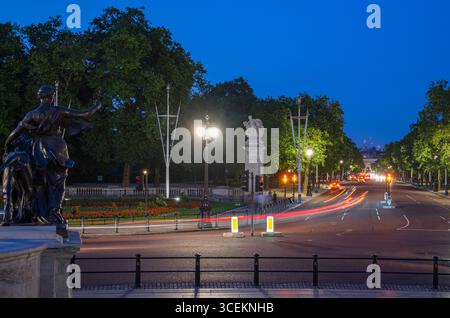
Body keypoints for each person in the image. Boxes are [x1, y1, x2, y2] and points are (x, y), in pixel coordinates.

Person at [3, 84, 101, 234]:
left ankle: (40, 213)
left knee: (40, 182)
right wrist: (96, 105)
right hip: (57, 147)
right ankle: (54, 212)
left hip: (39, 148)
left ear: (40, 97)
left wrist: (6, 147)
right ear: (52, 96)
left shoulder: (32, 114)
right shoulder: (58, 110)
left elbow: (14, 133)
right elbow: (84, 114)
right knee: (58, 181)